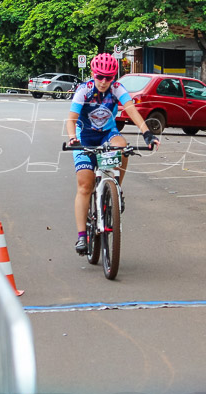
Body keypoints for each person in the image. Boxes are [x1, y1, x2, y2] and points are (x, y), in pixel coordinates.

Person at [65, 53, 158, 255]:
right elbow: (71, 119)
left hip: (108, 134)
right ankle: (82, 237)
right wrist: (73, 138)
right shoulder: (84, 90)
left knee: (123, 147)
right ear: (93, 74)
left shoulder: (117, 89)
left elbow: (132, 110)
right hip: (84, 136)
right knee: (85, 185)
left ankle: (116, 189)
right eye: (100, 76)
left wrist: (147, 134)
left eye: (109, 77)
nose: (104, 82)